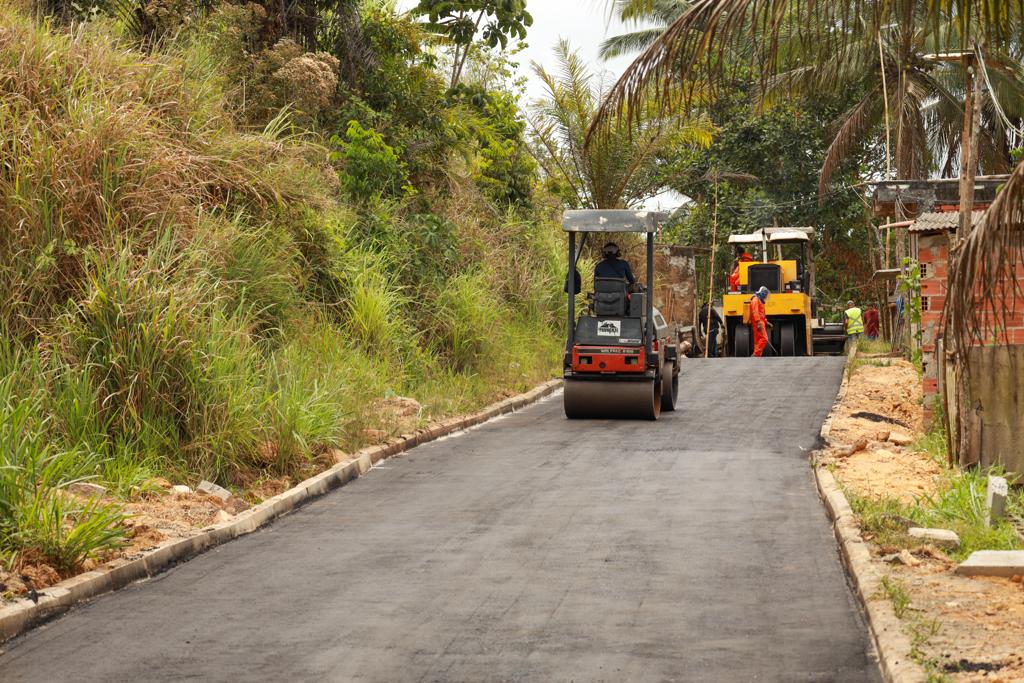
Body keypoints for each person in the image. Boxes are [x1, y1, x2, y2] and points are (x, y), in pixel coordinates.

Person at [750, 286, 772, 357]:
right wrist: (758, 322)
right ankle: (756, 354)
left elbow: (761, 314)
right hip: (758, 322)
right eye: (765, 295)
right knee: (764, 338)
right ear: (762, 294)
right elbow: (755, 312)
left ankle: (757, 356)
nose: (766, 297)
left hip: (759, 321)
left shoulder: (759, 300)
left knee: (758, 340)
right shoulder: (755, 300)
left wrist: (766, 322)